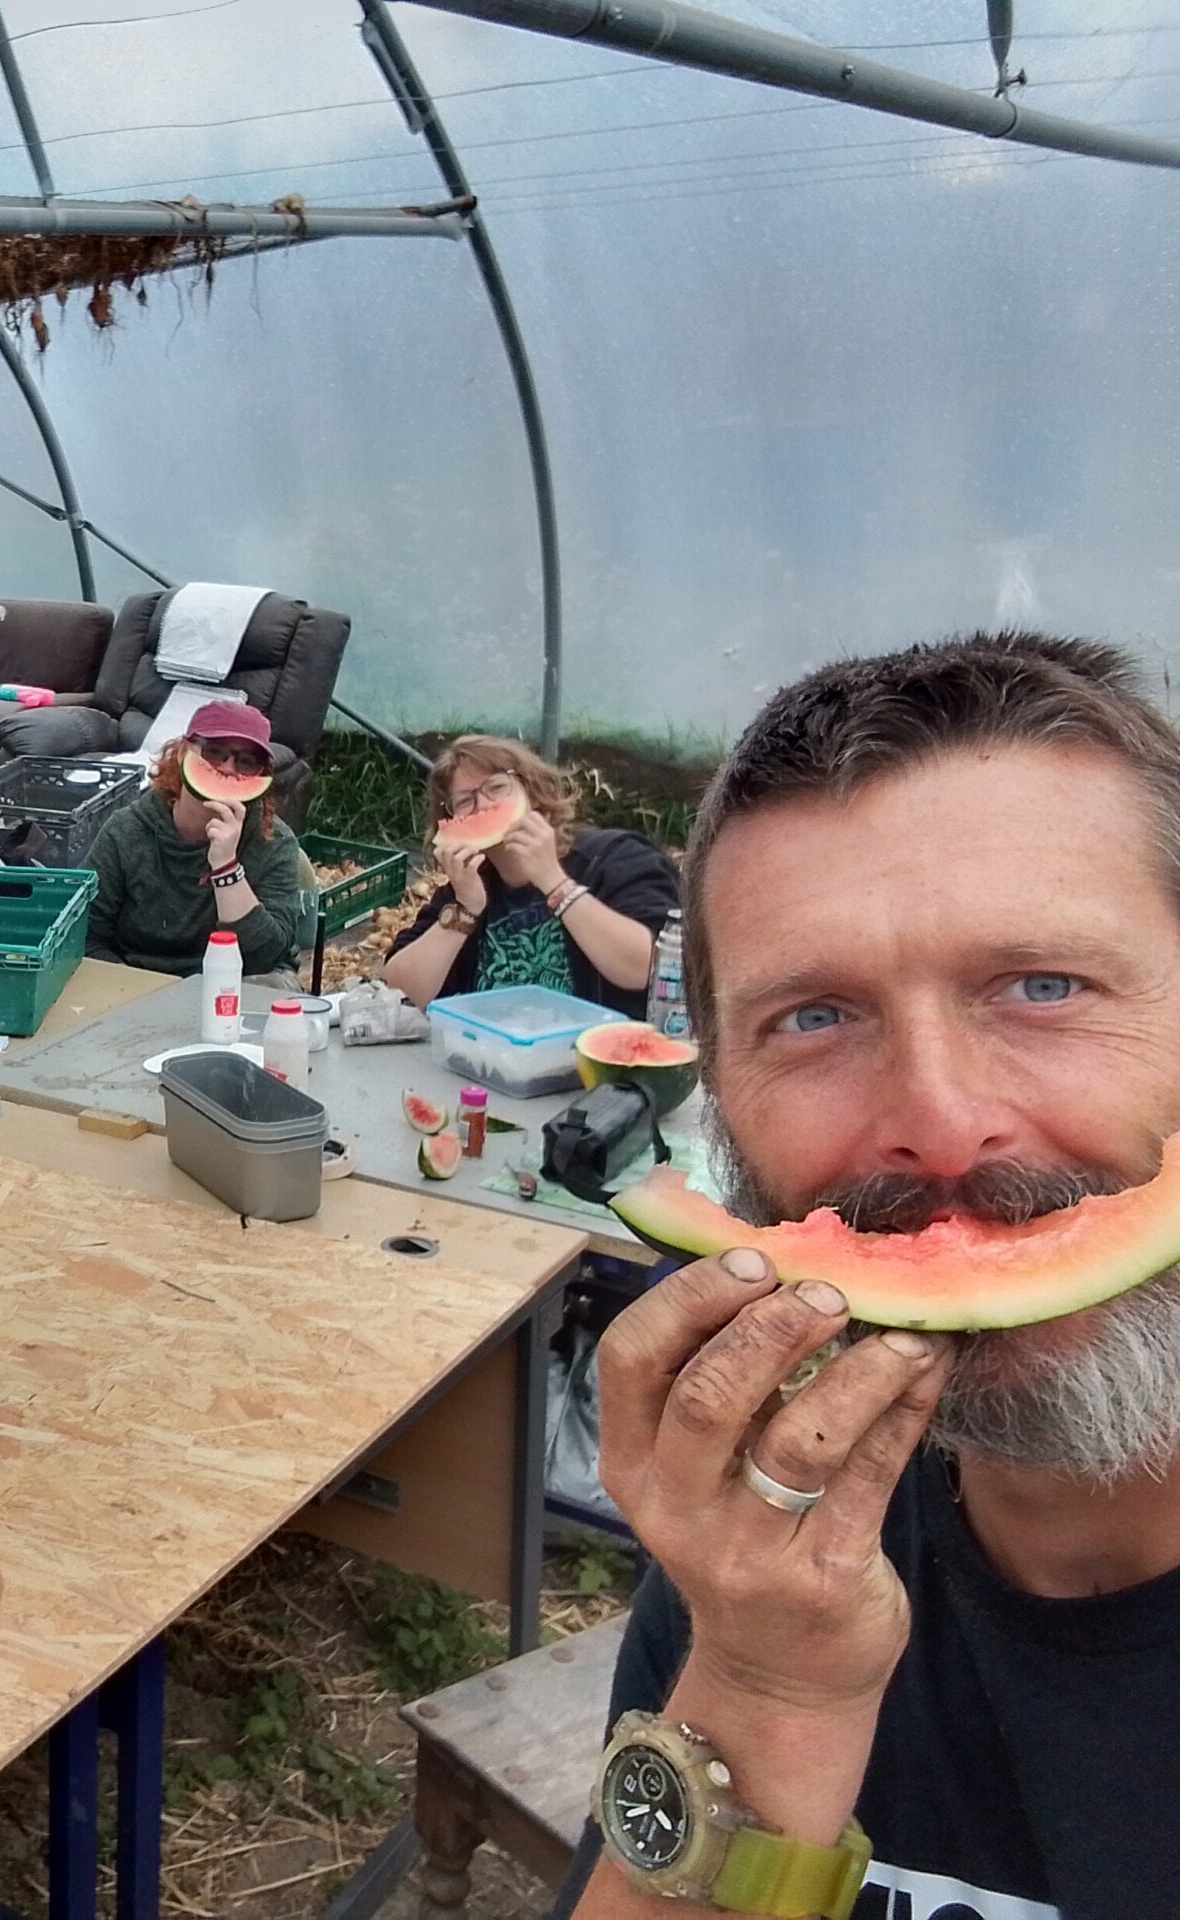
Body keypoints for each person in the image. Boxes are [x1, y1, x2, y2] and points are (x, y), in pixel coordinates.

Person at [557, 634, 1180, 1920]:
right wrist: (766, 1684)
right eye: (815, 1019)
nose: (940, 1126)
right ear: (720, 1102)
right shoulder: (773, 1554)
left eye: (1042, 986)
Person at [382, 735, 679, 1019]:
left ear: (532, 792)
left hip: (604, 1066)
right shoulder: (467, 889)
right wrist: (464, 910)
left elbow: (649, 969)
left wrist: (555, 882)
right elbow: (399, 993)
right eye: (465, 802)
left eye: (496, 788)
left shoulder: (614, 857)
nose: (484, 805)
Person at [85, 702, 305, 982]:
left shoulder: (275, 842)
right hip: (138, 981)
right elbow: (86, 937)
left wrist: (226, 867)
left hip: (239, 982)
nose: (227, 768)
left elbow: (266, 958)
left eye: (246, 762)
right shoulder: (126, 831)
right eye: (214, 752)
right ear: (181, 754)